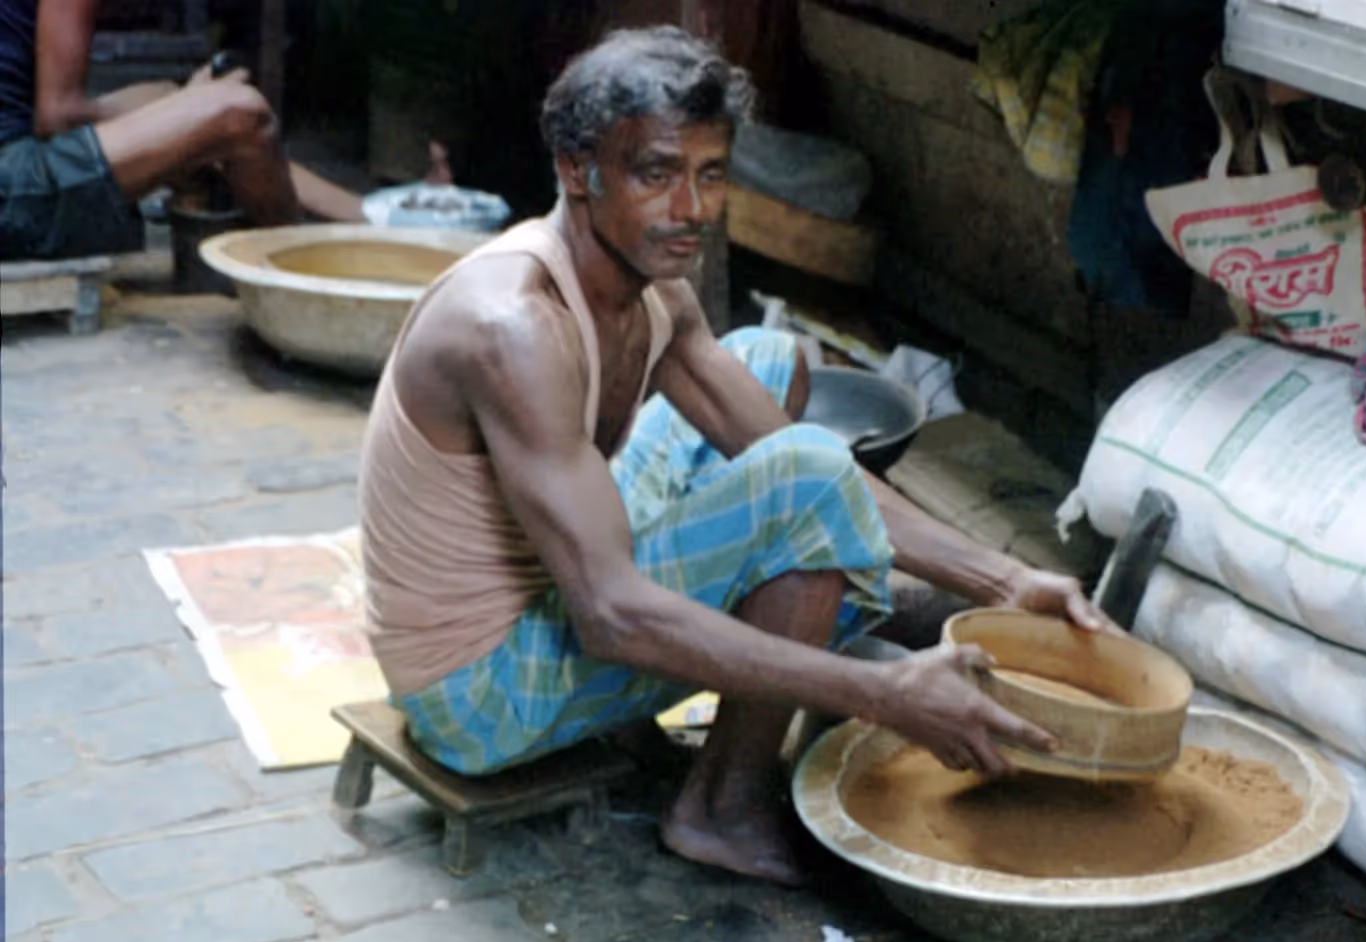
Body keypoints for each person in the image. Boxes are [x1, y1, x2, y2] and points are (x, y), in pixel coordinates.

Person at [357, 25, 1108, 886]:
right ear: (577, 170)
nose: (692, 210)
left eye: (710, 174)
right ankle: (721, 805)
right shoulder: (514, 328)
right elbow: (610, 612)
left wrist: (1005, 581)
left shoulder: (653, 290)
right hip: (479, 694)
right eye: (656, 174)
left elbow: (782, 448)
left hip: (560, 586)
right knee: (808, 485)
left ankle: (837, 612)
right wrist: (878, 696)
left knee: (768, 362)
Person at [0, 0, 362, 263]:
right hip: (11, 185)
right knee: (240, 115)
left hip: (14, 161)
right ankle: (299, 277)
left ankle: (373, 217)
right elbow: (57, 117)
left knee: (177, 105)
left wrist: (179, 103)